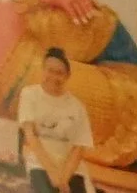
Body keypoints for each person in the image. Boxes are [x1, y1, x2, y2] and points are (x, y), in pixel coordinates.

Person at [17, 49, 95, 193]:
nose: (53, 77)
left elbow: (78, 148)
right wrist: (53, 173)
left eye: (59, 73)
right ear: (43, 70)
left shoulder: (77, 107)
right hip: (40, 164)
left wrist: (64, 178)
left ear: (67, 76)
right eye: (50, 71)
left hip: (71, 169)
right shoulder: (29, 95)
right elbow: (31, 137)